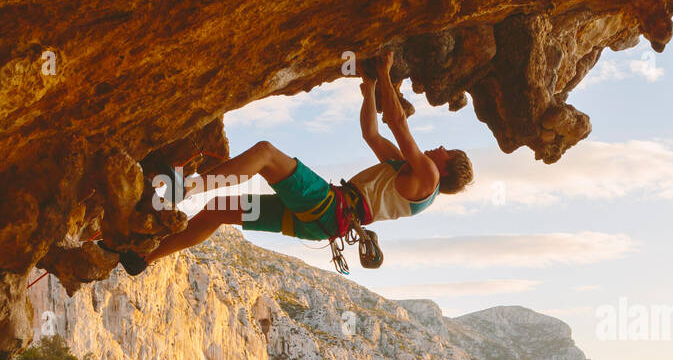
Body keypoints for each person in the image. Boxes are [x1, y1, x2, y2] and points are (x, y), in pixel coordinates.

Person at [135, 51, 472, 270]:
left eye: (446, 150)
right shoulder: (407, 173)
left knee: (266, 154)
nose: (438, 147)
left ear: (447, 166)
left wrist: (384, 73)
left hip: (326, 205)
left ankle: (183, 190)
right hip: (314, 222)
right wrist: (369, 86)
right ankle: (144, 258)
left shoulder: (428, 176)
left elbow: (397, 123)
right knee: (218, 211)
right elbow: (371, 133)